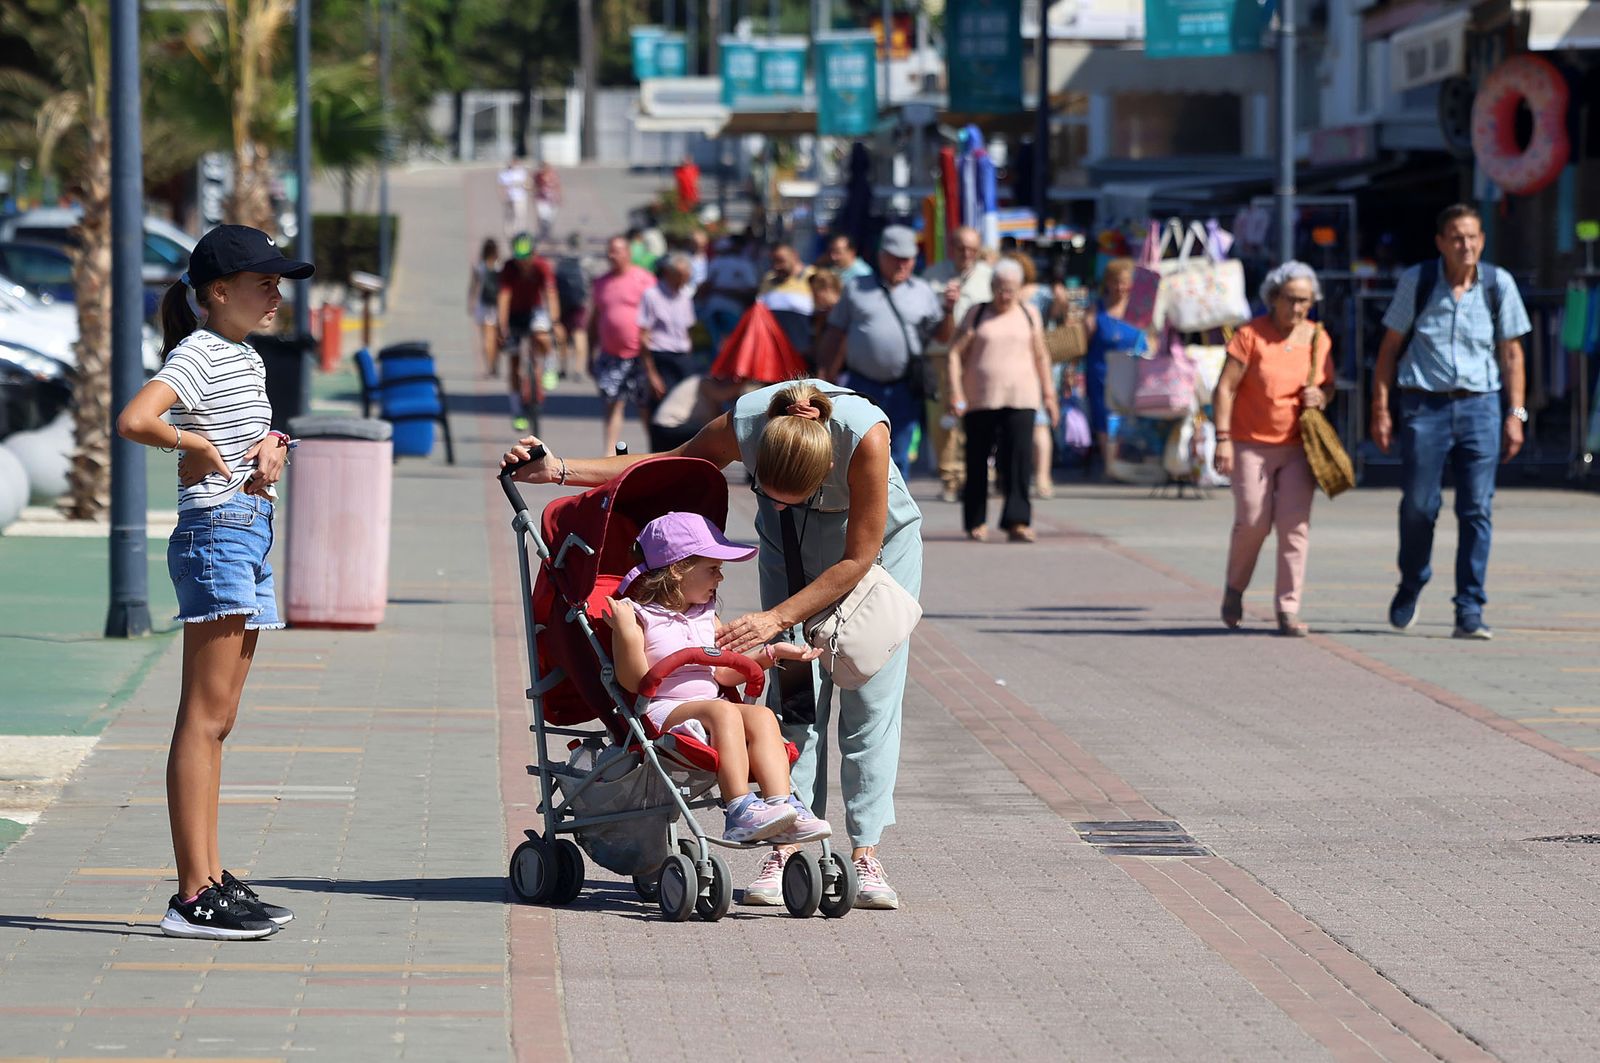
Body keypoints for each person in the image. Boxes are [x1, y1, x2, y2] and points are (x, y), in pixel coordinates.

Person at [502, 378, 924, 910]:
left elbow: (856, 557)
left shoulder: (865, 436)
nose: (770, 502)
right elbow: (670, 459)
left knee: (869, 695)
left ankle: (865, 851)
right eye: (765, 495)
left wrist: (777, 618)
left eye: (787, 497)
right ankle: (787, 841)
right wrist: (558, 469)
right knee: (792, 696)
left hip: (872, 554)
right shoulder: (748, 422)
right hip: (789, 548)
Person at [114, 224, 312, 940]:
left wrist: (273, 443)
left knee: (219, 719)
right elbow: (136, 418)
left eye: (278, 282)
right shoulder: (198, 351)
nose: (275, 293)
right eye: (263, 282)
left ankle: (212, 877)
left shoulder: (242, 356)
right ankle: (192, 894)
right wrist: (193, 442)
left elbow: (245, 431)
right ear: (217, 293)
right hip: (217, 533)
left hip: (248, 530)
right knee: (202, 717)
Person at [606, 512, 830, 844]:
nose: (720, 578)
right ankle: (739, 808)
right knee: (722, 710)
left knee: (762, 715)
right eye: (713, 569)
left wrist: (772, 654)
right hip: (663, 711)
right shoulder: (639, 617)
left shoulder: (705, 614)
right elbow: (634, 681)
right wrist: (624, 631)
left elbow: (723, 672)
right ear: (678, 569)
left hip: (708, 707)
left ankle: (781, 806)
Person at [1370, 203, 1530, 640]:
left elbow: (1512, 354)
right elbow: (1388, 350)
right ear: (1441, 242)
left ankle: (1469, 609)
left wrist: (1516, 415)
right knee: (1420, 506)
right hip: (1425, 407)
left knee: (1477, 508)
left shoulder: (1499, 284)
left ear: (1483, 240)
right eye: (1457, 237)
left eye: (1474, 236)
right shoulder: (1418, 282)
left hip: (1481, 407)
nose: (1467, 245)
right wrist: (1381, 409)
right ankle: (1412, 580)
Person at [1212, 261, 1334, 637]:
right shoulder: (1250, 336)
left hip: (1298, 446)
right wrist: (1223, 438)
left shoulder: (1317, 338)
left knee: (1294, 527)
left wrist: (1322, 397)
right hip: (1250, 443)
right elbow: (1225, 388)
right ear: (1274, 298)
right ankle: (1235, 589)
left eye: (1305, 301)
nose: (1298, 309)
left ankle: (1288, 609)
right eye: (1291, 299)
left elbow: (1328, 387)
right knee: (1252, 521)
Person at [820, 225, 955, 480]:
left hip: (905, 387)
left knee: (899, 454)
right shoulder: (856, 288)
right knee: (858, 449)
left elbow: (943, 336)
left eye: (909, 260)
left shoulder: (922, 291)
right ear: (882, 256)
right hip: (863, 384)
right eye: (897, 259)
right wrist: (825, 374)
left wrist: (949, 310)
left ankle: (893, 512)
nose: (903, 265)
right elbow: (835, 332)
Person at [945, 257, 1059, 543]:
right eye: (999, 288)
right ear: (991, 286)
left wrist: (1049, 395)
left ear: (1020, 289)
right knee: (977, 460)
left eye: (1010, 289)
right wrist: (956, 391)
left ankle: (1017, 520)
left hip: (1022, 397)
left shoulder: (1029, 313)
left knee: (1018, 460)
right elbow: (954, 354)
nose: (1004, 295)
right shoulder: (977, 313)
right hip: (980, 398)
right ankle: (975, 521)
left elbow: (1042, 356)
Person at [921, 227, 995, 502]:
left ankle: (979, 476)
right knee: (944, 418)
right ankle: (950, 478)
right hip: (941, 356)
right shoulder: (932, 277)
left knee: (978, 417)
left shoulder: (989, 278)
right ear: (951, 248)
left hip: (976, 358)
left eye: (972, 250)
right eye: (961, 248)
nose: (966, 255)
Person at [589, 234, 662, 454]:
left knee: (645, 408)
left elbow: (658, 313)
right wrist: (588, 354)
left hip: (640, 356)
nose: (611, 255)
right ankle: (609, 454)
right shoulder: (601, 282)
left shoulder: (645, 280)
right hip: (612, 355)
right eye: (609, 251)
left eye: (617, 251)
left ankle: (656, 452)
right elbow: (594, 318)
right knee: (613, 404)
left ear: (628, 254)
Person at [1010, 251, 1071, 500]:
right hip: (1010, 363)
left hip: (1037, 362)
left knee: (1041, 422)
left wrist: (1061, 298)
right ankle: (1015, 476)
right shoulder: (1001, 295)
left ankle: (1043, 475)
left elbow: (1059, 312)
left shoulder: (1041, 293)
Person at [1082, 258, 1147, 475]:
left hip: (1134, 370)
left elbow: (1152, 336)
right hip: (1102, 372)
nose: (1120, 287)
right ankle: (1110, 466)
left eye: (1125, 282)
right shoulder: (1097, 309)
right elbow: (1082, 342)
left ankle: (1131, 463)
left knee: (1132, 417)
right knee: (1104, 418)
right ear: (1107, 283)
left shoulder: (1140, 308)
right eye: (1116, 282)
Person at [497, 232, 560, 431]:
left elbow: (550, 294)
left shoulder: (542, 266)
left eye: (526, 258)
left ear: (534, 253)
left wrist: (555, 320)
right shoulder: (509, 268)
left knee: (542, 335)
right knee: (514, 363)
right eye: (519, 259)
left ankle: (550, 365)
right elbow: (504, 297)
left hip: (534, 310)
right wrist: (502, 326)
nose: (523, 263)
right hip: (515, 314)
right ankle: (517, 411)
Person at [637, 252, 698, 401]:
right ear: (668, 273)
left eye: (686, 276)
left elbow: (688, 330)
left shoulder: (685, 296)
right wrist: (651, 373)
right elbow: (643, 335)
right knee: (663, 407)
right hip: (661, 356)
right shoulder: (652, 295)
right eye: (680, 275)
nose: (683, 280)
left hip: (682, 357)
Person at [698, 237, 760, 356]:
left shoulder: (743, 264)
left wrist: (721, 291)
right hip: (715, 311)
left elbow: (752, 291)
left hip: (732, 311)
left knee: (729, 346)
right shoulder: (718, 262)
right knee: (719, 346)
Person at [553, 233, 590, 381]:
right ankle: (579, 369)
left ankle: (562, 367)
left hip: (563, 302)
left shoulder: (561, 260)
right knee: (579, 334)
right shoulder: (586, 260)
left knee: (562, 335)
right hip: (579, 304)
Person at [468, 237, 501, 378]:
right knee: (495, 337)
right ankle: (494, 366)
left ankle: (489, 366)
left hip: (482, 304)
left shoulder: (479, 266)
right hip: (497, 305)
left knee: (486, 338)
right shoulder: (500, 266)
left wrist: (470, 302)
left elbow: (473, 287)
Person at [758, 244, 815, 315]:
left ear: (794, 255)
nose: (776, 266)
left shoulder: (813, 276)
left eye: (781, 261)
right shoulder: (769, 277)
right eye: (773, 261)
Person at [806, 270, 843, 368]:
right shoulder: (820, 316)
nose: (813, 298)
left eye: (814, 293)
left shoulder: (842, 315)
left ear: (827, 289)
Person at [498, 155, 531, 235]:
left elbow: (528, 183)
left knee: (520, 215)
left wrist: (527, 187)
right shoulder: (504, 173)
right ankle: (509, 233)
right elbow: (501, 186)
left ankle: (520, 232)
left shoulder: (521, 172)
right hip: (509, 198)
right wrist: (502, 196)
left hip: (520, 197)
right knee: (509, 216)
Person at [533, 161, 560, 242]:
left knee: (550, 219)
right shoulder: (538, 175)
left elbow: (557, 185)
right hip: (541, 199)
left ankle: (548, 234)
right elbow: (534, 185)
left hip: (551, 200)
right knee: (542, 218)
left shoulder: (553, 174)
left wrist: (558, 196)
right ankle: (542, 233)